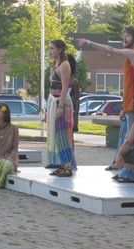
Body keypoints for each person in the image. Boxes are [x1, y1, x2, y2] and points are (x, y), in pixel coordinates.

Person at [77, 25, 134, 136]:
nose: (124, 38)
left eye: (127, 36)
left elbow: (111, 50)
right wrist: (124, 107)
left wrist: (89, 42)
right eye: (123, 36)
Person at [45, 39, 77, 177]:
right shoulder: (54, 65)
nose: (50, 51)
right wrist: (47, 108)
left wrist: (61, 106)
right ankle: (61, 164)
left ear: (59, 49)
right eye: (49, 48)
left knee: (64, 133)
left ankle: (68, 166)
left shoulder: (64, 64)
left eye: (52, 48)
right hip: (53, 100)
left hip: (61, 101)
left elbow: (65, 87)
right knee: (55, 134)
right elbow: (51, 86)